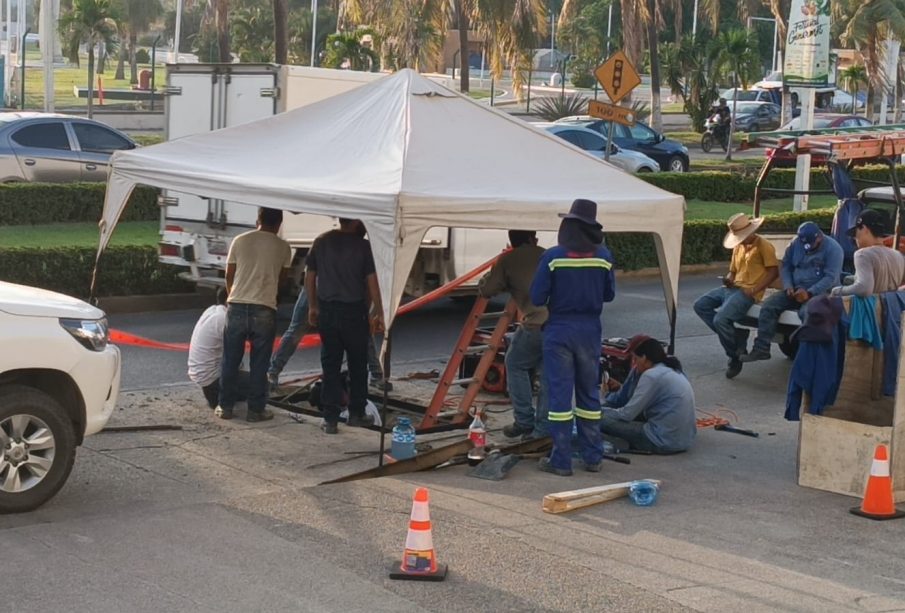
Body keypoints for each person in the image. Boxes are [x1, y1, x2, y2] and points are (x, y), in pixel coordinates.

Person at [530, 199, 616, 476]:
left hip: (559, 329)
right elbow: (609, 295)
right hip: (590, 330)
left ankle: (561, 460)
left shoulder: (553, 257)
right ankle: (593, 457)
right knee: (589, 394)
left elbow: (536, 297)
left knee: (560, 396)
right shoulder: (604, 257)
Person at [307, 218, 385, 435]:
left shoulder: (321, 241)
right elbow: (372, 282)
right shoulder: (363, 247)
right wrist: (379, 312)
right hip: (354, 313)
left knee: (330, 365)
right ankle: (356, 413)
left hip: (328, 311)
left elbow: (310, 276)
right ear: (355, 222)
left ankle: (330, 419)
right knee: (358, 365)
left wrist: (312, 306)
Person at [217, 207, 292, 422]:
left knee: (231, 359)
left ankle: (225, 407)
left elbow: (229, 275)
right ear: (279, 223)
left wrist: (234, 296)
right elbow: (282, 280)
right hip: (265, 308)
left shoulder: (239, 240)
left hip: (237, 305)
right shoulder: (283, 247)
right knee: (260, 362)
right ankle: (256, 410)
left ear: (257, 219)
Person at [478, 230, 548, 440]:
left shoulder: (508, 259)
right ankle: (543, 427)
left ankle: (524, 421)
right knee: (548, 376)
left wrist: (495, 272)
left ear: (511, 241)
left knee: (515, 363)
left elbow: (487, 290)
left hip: (535, 324)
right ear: (531, 238)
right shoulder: (547, 254)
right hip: (561, 325)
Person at [741, 222, 843, 363]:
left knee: (807, 313)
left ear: (819, 237)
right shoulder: (796, 243)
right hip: (795, 289)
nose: (807, 249)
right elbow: (786, 265)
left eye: (811, 245)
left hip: (820, 292)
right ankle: (761, 348)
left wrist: (809, 292)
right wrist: (788, 285)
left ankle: (808, 356)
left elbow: (830, 278)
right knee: (770, 306)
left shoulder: (834, 249)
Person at [693, 213, 779, 379]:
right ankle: (737, 336)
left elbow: (773, 272)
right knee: (700, 305)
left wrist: (754, 290)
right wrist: (729, 280)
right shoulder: (738, 247)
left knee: (720, 321)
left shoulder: (764, 246)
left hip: (747, 291)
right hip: (733, 288)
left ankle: (734, 355)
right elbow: (733, 271)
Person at [268, 288, 389, 392]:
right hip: (325, 292)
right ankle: (272, 372)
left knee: (297, 332)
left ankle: (272, 373)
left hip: (328, 292)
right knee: (297, 332)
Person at [600, 338, 696, 454]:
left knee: (600, 420)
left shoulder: (651, 375)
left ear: (644, 358)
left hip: (662, 441)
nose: (634, 364)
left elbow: (627, 414)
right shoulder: (671, 368)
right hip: (685, 439)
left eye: (636, 359)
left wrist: (600, 411)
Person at [187, 288, 248, 409]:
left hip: (204, 378)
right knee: (260, 384)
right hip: (212, 380)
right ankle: (225, 402)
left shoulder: (211, 311)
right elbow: (235, 359)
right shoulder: (225, 319)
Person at [830, 209, 905, 297]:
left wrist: (837, 291)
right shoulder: (898, 255)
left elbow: (864, 288)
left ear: (864, 229)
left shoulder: (862, 254)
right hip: (892, 309)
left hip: (869, 309)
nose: (855, 238)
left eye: (856, 233)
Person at [602, 334, 651, 409]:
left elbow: (628, 408)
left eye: (635, 357)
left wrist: (606, 394)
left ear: (644, 357)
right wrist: (621, 387)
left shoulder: (650, 376)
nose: (634, 361)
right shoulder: (637, 371)